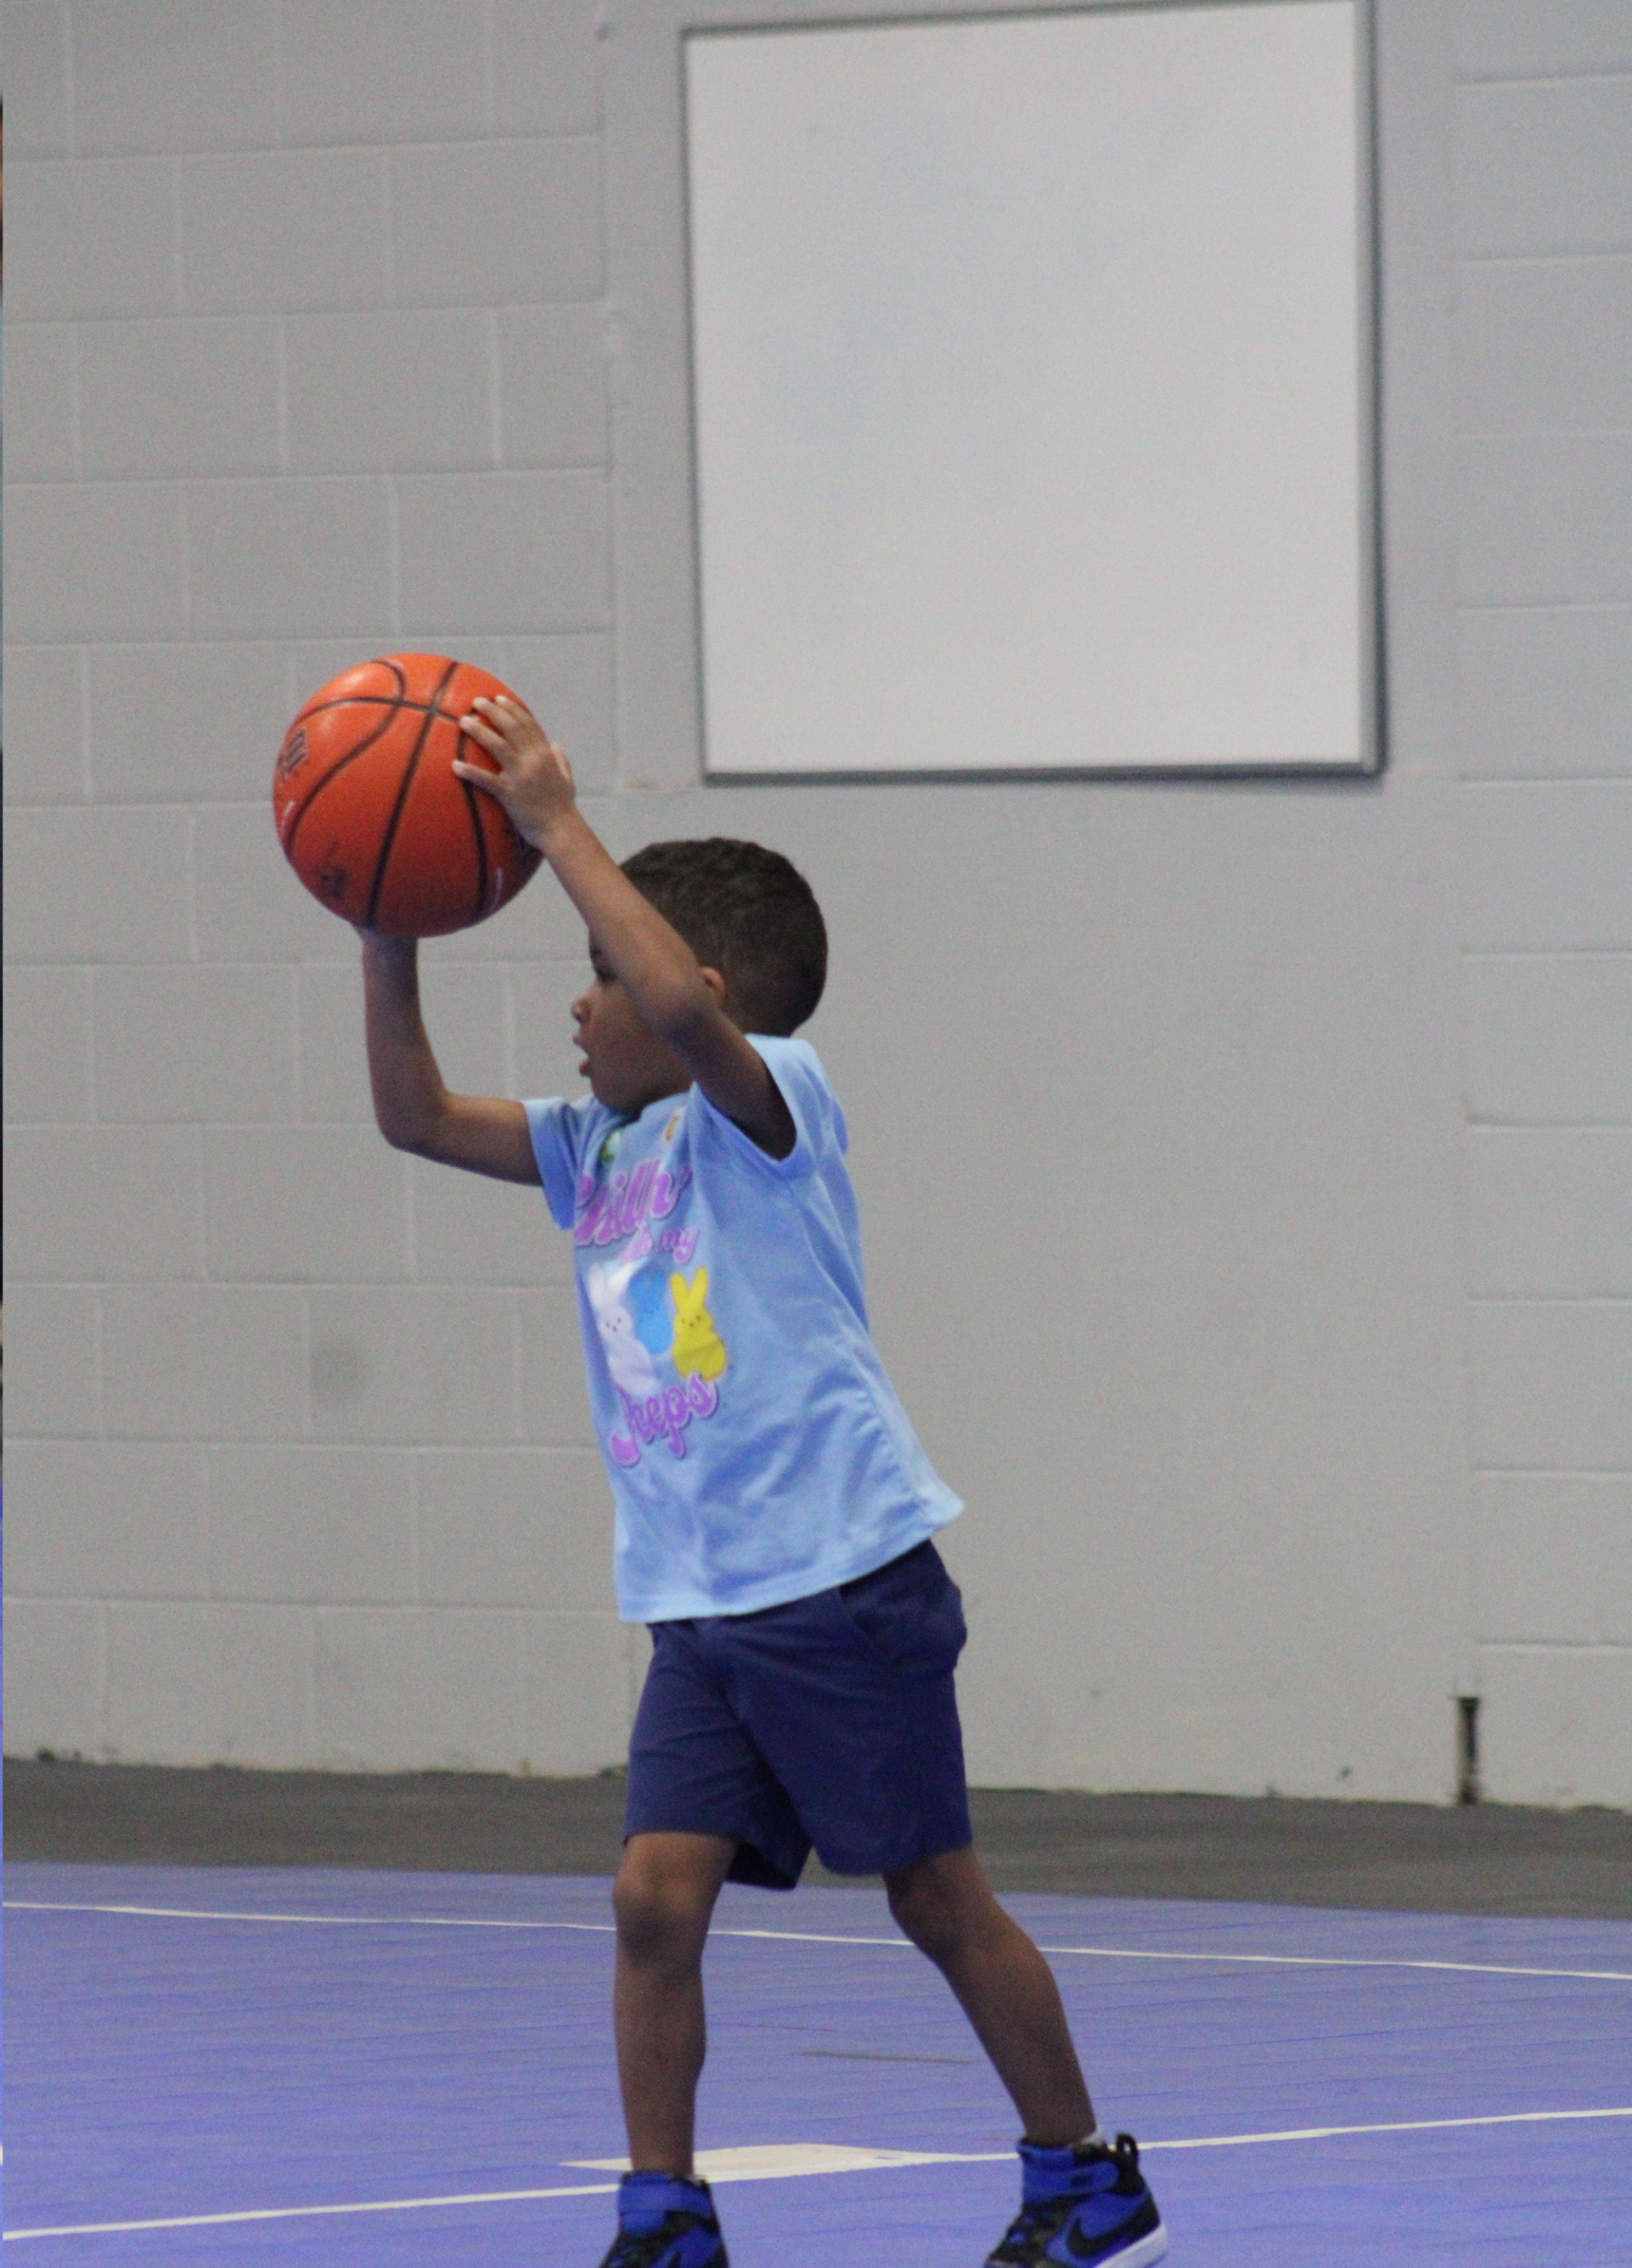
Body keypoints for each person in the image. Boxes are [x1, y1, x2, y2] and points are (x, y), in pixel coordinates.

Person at [357, 692, 1168, 2268]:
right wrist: (384, 922)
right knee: (653, 1900)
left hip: (839, 1587)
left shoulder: (767, 1106)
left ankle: (1081, 2174)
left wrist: (554, 827)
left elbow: (683, 1005)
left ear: (691, 999)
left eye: (599, 984)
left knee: (934, 1899)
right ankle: (665, 2214)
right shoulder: (597, 1149)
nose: (580, 1014)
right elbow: (408, 1115)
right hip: (702, 1606)